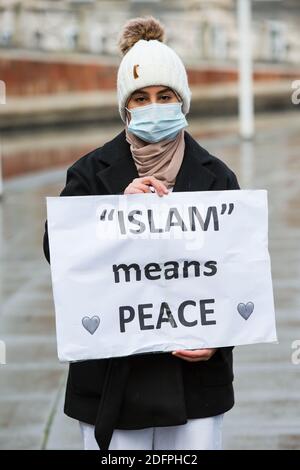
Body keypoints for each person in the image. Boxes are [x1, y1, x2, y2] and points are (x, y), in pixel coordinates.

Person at [43, 16, 240, 451]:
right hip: (111, 383)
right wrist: (113, 210)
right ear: (126, 107)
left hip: (193, 385)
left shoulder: (217, 178)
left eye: (164, 95)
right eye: (142, 97)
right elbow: (56, 248)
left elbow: (237, 270)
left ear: (181, 100)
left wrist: (216, 340)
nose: (154, 107)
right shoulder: (92, 173)